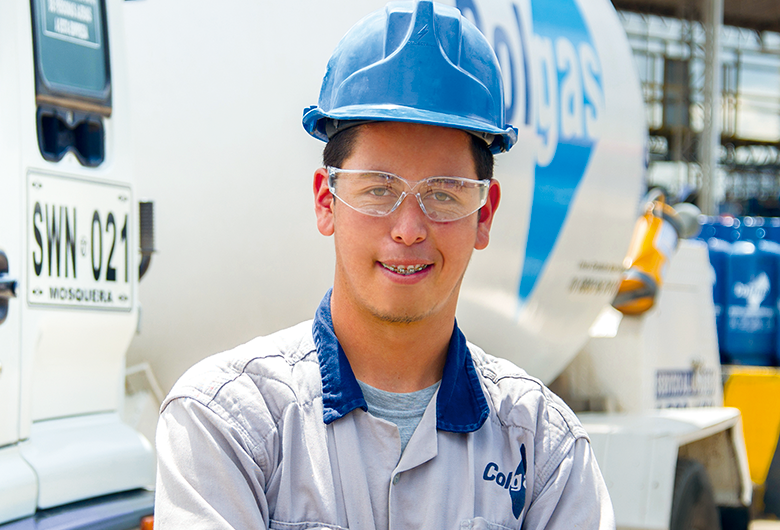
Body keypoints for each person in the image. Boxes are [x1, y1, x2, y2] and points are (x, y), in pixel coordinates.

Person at [154, 2, 614, 528]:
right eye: (378, 190)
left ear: (484, 214)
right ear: (327, 202)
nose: (408, 228)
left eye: (444, 195)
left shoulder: (544, 450)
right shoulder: (229, 422)